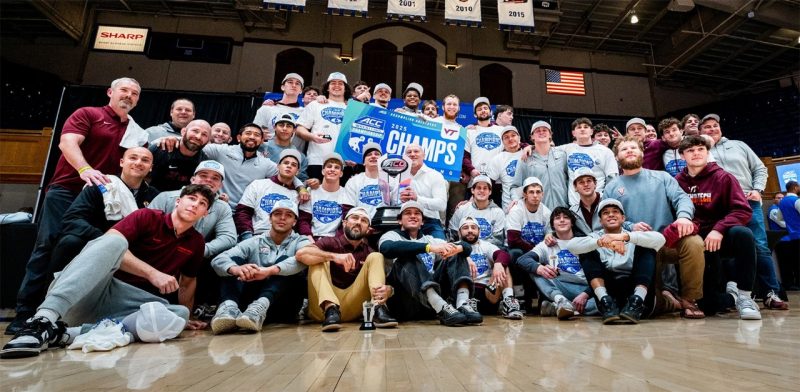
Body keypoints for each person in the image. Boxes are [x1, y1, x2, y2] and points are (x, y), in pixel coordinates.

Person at [1, 184, 215, 358]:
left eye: (202, 203)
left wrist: (181, 321)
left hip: (128, 304)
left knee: (178, 314)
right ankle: (41, 322)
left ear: (205, 213)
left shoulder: (196, 242)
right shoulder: (146, 217)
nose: (195, 205)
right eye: (191, 198)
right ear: (178, 201)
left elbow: (187, 283)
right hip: (94, 289)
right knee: (113, 242)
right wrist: (152, 273)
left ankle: (66, 334)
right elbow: (111, 245)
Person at [9, 77, 146, 335]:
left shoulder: (137, 132)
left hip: (101, 198)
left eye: (135, 93)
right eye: (124, 90)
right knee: (48, 245)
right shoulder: (88, 114)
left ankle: (62, 312)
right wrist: (85, 169)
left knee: (90, 250)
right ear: (110, 92)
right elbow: (67, 143)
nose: (129, 95)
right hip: (67, 190)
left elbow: (137, 160)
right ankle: (26, 312)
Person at [10, 147, 158, 335]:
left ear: (151, 167)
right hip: (95, 242)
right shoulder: (101, 184)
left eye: (145, 160)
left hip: (132, 249)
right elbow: (72, 219)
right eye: (133, 158)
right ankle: (44, 311)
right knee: (69, 242)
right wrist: (106, 240)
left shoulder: (153, 196)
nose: (138, 163)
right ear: (122, 162)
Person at [604, 136, 706, 319]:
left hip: (668, 241)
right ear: (617, 157)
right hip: (638, 248)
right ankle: (666, 301)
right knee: (649, 306)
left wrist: (683, 217)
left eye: (633, 147)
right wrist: (630, 226)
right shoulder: (611, 187)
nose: (629, 151)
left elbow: (681, 198)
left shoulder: (662, 177)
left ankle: (690, 299)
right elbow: (606, 219)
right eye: (624, 149)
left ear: (642, 152)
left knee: (694, 243)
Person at [701, 113, 788, 310]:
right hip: (719, 207)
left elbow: (760, 168)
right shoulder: (700, 151)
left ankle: (770, 292)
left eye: (715, 125)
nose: (712, 129)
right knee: (722, 250)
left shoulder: (739, 145)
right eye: (707, 127)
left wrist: (758, 189)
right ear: (700, 132)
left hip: (748, 203)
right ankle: (731, 294)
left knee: (760, 246)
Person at [674, 135, 761, 320]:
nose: (696, 153)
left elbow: (742, 211)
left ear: (708, 152)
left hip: (721, 236)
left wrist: (719, 229)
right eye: (690, 150)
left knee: (744, 234)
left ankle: (745, 296)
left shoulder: (724, 178)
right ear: (682, 156)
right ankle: (732, 296)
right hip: (696, 240)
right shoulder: (677, 182)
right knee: (710, 307)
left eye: (700, 149)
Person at [210, 200, 311, 334]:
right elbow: (218, 260)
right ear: (270, 218)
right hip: (248, 307)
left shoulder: (301, 241)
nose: (282, 218)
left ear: (294, 222)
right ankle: (229, 308)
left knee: (288, 262)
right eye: (277, 214)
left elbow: (303, 260)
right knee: (233, 262)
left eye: (288, 215)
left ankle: (260, 306)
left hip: (284, 305)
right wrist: (236, 269)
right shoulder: (254, 241)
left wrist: (269, 270)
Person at [296, 207, 398, 331]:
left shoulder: (369, 251)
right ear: (344, 223)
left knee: (377, 256)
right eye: (355, 218)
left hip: (353, 307)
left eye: (364, 221)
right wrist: (334, 257)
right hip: (322, 308)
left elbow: (387, 285)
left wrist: (390, 291)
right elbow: (301, 254)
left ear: (368, 229)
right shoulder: (329, 242)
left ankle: (379, 307)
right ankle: (330, 308)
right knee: (317, 257)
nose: (359, 222)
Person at [379, 202, 480, 326]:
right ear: (399, 220)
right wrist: (428, 248)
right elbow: (386, 248)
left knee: (455, 253)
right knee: (406, 256)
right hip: (406, 301)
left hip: (431, 304)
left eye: (417, 213)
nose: (413, 216)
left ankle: (462, 304)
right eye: (408, 213)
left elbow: (465, 246)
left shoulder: (431, 239)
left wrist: (460, 249)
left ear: (422, 222)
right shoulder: (391, 236)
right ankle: (441, 307)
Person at [567, 199, 666, 324]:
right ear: (600, 221)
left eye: (615, 212)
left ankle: (637, 300)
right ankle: (605, 301)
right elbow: (572, 246)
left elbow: (660, 239)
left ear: (623, 218)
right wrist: (601, 242)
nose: (611, 215)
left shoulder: (633, 235)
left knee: (647, 246)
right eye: (606, 213)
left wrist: (623, 237)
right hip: (609, 293)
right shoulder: (595, 237)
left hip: (635, 288)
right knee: (586, 250)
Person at [192, 122, 306, 208]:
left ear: (261, 141)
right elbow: (193, 146)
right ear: (238, 138)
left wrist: (301, 189)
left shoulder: (265, 163)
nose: (252, 137)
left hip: (244, 212)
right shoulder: (221, 151)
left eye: (256, 135)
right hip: (216, 206)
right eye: (248, 133)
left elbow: (288, 175)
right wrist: (175, 141)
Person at [517, 207, 598, 319]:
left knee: (605, 302)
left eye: (566, 217)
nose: (562, 220)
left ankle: (559, 308)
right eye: (557, 218)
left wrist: (586, 294)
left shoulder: (583, 242)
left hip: (584, 289)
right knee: (535, 270)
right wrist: (540, 268)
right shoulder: (546, 244)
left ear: (572, 223)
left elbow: (599, 272)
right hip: (559, 288)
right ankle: (561, 301)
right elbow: (522, 260)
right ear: (552, 225)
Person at [148, 160, 235, 259]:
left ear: (220, 186)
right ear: (192, 179)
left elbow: (228, 237)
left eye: (215, 178)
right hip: (156, 251)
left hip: (192, 260)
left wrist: (197, 250)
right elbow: (147, 225)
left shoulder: (222, 207)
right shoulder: (166, 197)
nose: (209, 180)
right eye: (203, 175)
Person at [458, 217, 522, 319]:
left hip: (488, 292)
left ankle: (509, 302)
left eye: (473, 227)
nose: (470, 230)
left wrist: (498, 264)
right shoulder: (454, 246)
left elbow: (503, 254)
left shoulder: (486, 245)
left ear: (479, 231)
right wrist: (464, 256)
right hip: (465, 291)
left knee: (503, 265)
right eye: (465, 228)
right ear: (459, 232)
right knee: (462, 272)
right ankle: (463, 305)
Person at [234, 149, 303, 239]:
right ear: (278, 166)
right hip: (256, 235)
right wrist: (247, 237)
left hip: (283, 239)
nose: (289, 166)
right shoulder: (258, 184)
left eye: (293, 165)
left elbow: (296, 222)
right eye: (286, 163)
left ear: (297, 171)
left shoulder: (297, 195)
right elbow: (243, 212)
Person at [295, 72, 350, 181]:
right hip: (317, 161)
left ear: (345, 88)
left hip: (344, 163)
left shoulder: (352, 109)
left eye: (341, 83)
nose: (337, 85)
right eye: (333, 83)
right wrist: (312, 136)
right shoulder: (315, 104)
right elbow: (300, 129)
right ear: (327, 88)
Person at [512, 121, 569, 210]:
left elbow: (570, 180)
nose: (541, 132)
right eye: (537, 131)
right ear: (532, 137)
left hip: (563, 211)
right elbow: (516, 186)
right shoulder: (525, 159)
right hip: (538, 213)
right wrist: (516, 200)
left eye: (544, 130)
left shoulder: (562, 155)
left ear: (550, 135)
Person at [562, 117, 618, 206]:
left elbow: (612, 179)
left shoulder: (605, 152)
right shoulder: (566, 149)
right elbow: (546, 150)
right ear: (573, 133)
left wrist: (607, 201)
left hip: (599, 204)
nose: (582, 129)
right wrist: (531, 147)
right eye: (579, 127)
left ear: (591, 131)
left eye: (586, 127)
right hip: (575, 205)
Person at [148, 119, 210, 192]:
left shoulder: (204, 163)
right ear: (183, 132)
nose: (198, 137)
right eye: (195, 131)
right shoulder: (161, 148)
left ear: (208, 141)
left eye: (204, 134)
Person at [401, 144, 448, 239]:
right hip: (404, 222)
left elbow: (442, 205)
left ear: (424, 155)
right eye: (409, 152)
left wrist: (417, 199)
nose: (412, 154)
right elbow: (390, 201)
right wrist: (398, 198)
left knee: (442, 249)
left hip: (430, 222)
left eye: (416, 151)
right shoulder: (399, 175)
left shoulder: (435, 175)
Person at [299, 153, 348, 239]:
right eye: (329, 166)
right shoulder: (311, 191)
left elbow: (345, 223)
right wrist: (308, 237)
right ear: (323, 171)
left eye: (336, 167)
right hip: (311, 237)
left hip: (335, 240)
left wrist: (335, 241)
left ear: (341, 173)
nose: (332, 169)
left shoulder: (346, 194)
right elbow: (303, 220)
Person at [449, 175, 505, 247]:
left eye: (485, 188)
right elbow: (452, 235)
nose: (482, 191)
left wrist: (478, 247)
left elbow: (498, 240)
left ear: (490, 192)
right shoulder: (462, 209)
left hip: (487, 252)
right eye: (478, 188)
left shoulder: (498, 212)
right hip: (464, 250)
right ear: (472, 190)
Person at [342, 143, 390, 220]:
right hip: (359, 225)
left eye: (377, 154)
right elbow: (347, 208)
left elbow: (396, 206)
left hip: (383, 226)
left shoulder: (391, 180)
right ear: (363, 162)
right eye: (369, 154)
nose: (373, 156)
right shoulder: (353, 181)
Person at [506, 177, 551, 258]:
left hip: (539, 250)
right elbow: (513, 240)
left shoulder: (547, 212)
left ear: (542, 194)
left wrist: (549, 235)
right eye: (531, 192)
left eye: (538, 192)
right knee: (515, 252)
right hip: (521, 249)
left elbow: (550, 233)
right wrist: (535, 250)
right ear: (525, 194)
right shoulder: (516, 210)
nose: (535, 195)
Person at [253, 73, 304, 141]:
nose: (294, 85)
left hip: (295, 151)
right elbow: (254, 132)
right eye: (290, 82)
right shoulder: (266, 108)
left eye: (297, 83)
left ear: (301, 90)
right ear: (282, 87)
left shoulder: (305, 112)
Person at [485, 125, 526, 212]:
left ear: (519, 137)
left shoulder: (529, 153)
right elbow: (487, 183)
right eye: (506, 137)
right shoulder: (498, 159)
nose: (510, 139)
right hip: (510, 208)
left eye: (513, 135)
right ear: (502, 142)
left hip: (532, 205)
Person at [264, 115, 310, 182]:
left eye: (288, 126)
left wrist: (312, 183)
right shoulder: (261, 147)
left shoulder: (300, 156)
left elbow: (302, 181)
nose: (285, 128)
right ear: (274, 128)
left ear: (294, 130)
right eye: (281, 125)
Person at [465, 97, 504, 174]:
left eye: (485, 108)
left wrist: (527, 146)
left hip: (499, 179)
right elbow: (465, 156)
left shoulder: (501, 130)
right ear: (475, 115)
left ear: (491, 112)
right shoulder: (469, 132)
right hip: (476, 178)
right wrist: (471, 170)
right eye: (479, 109)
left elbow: (514, 146)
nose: (483, 111)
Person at [774, 181, 800, 289]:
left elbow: (779, 218)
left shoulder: (782, 202)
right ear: (795, 187)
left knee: (796, 261)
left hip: (792, 236)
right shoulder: (797, 200)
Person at [569, 167, 602, 235]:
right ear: (575, 187)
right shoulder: (573, 212)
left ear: (595, 184)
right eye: (581, 182)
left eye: (589, 181)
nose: (586, 184)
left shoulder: (607, 203)